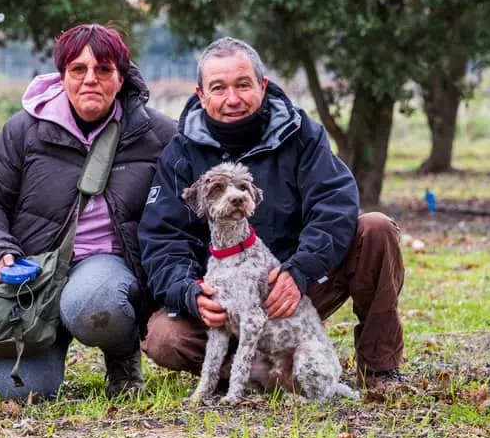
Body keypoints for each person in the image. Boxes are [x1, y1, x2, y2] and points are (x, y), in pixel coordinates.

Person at [138, 36, 406, 387]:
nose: (232, 99)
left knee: (376, 229)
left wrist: (300, 270)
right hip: (226, 304)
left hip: (293, 293)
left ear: (262, 86)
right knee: (164, 338)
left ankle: (380, 370)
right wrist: (190, 292)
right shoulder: (180, 154)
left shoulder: (302, 134)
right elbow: (163, 239)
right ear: (201, 95)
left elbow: (334, 203)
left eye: (243, 85)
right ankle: (256, 372)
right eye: (218, 88)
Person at [0, 24, 176, 400]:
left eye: (103, 70)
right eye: (78, 69)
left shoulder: (158, 134)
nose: (90, 79)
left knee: (94, 303)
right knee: (22, 392)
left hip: (105, 269)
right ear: (63, 77)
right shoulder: (24, 130)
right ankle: (43, 340)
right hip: (34, 273)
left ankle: (122, 356)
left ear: (121, 78)